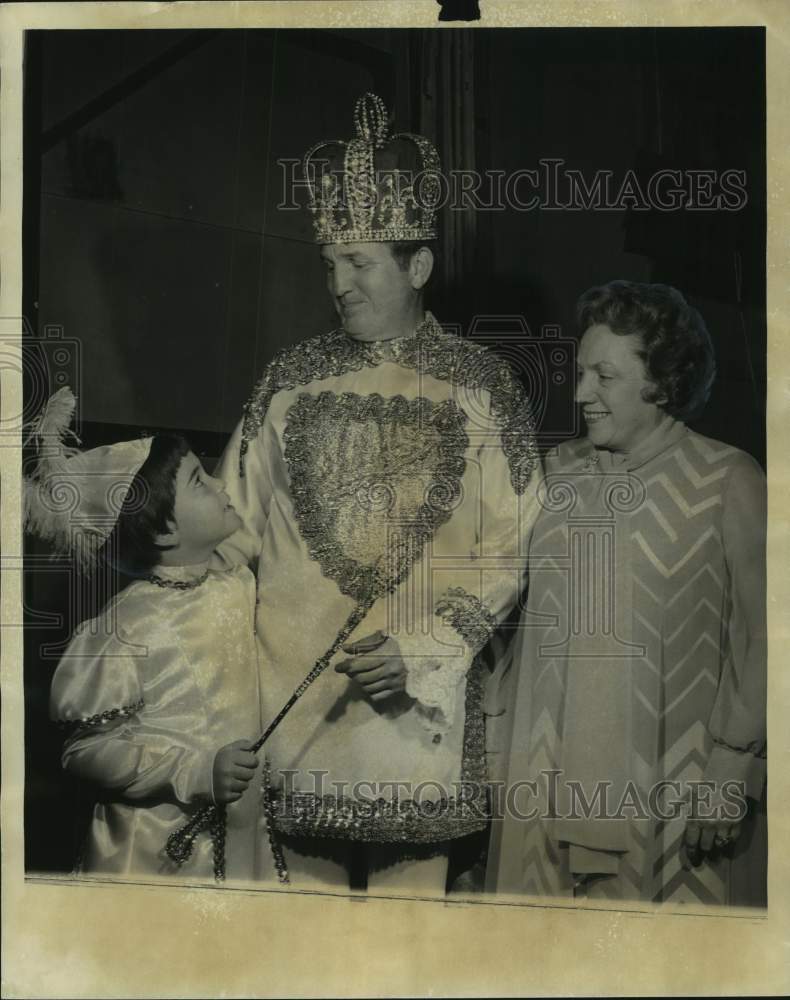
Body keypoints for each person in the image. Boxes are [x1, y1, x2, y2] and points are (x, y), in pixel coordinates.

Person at [215, 93, 542, 894]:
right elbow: (229, 532)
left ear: (417, 265)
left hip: (415, 725)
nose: (339, 283)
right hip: (290, 722)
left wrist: (423, 654)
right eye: (330, 263)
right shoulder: (286, 381)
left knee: (408, 952)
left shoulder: (483, 384)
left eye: (360, 262)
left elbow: (519, 545)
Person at [486, 280, 767, 905]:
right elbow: (507, 619)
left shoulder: (728, 479)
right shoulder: (552, 472)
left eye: (604, 376)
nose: (581, 393)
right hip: (544, 778)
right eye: (581, 373)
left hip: (675, 789)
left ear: (661, 383)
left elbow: (767, 636)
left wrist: (733, 767)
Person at [25, 387, 272, 883]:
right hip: (153, 853)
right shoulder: (125, 627)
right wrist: (197, 771)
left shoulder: (234, 583)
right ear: (162, 533)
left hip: (239, 839)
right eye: (200, 482)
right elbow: (85, 751)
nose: (223, 485)